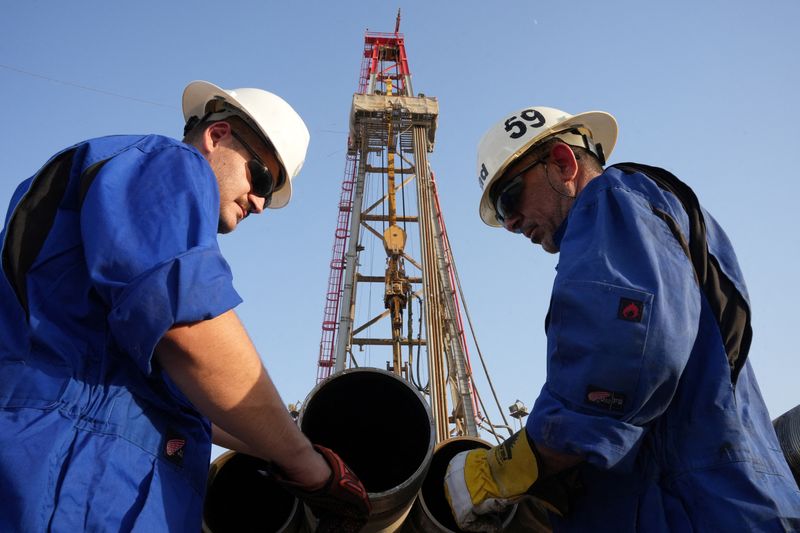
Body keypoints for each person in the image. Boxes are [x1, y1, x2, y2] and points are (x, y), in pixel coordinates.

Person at [0, 81, 370, 531]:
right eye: (263, 179)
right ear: (218, 136)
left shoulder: (140, 234)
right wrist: (307, 466)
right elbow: (189, 331)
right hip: (69, 484)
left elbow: (191, 403)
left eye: (269, 198)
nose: (258, 203)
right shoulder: (166, 163)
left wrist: (292, 447)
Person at [444, 106, 800, 531]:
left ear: (562, 163)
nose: (512, 224)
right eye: (502, 216)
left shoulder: (613, 198)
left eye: (509, 198)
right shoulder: (646, 217)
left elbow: (622, 355)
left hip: (695, 511)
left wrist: (510, 466)